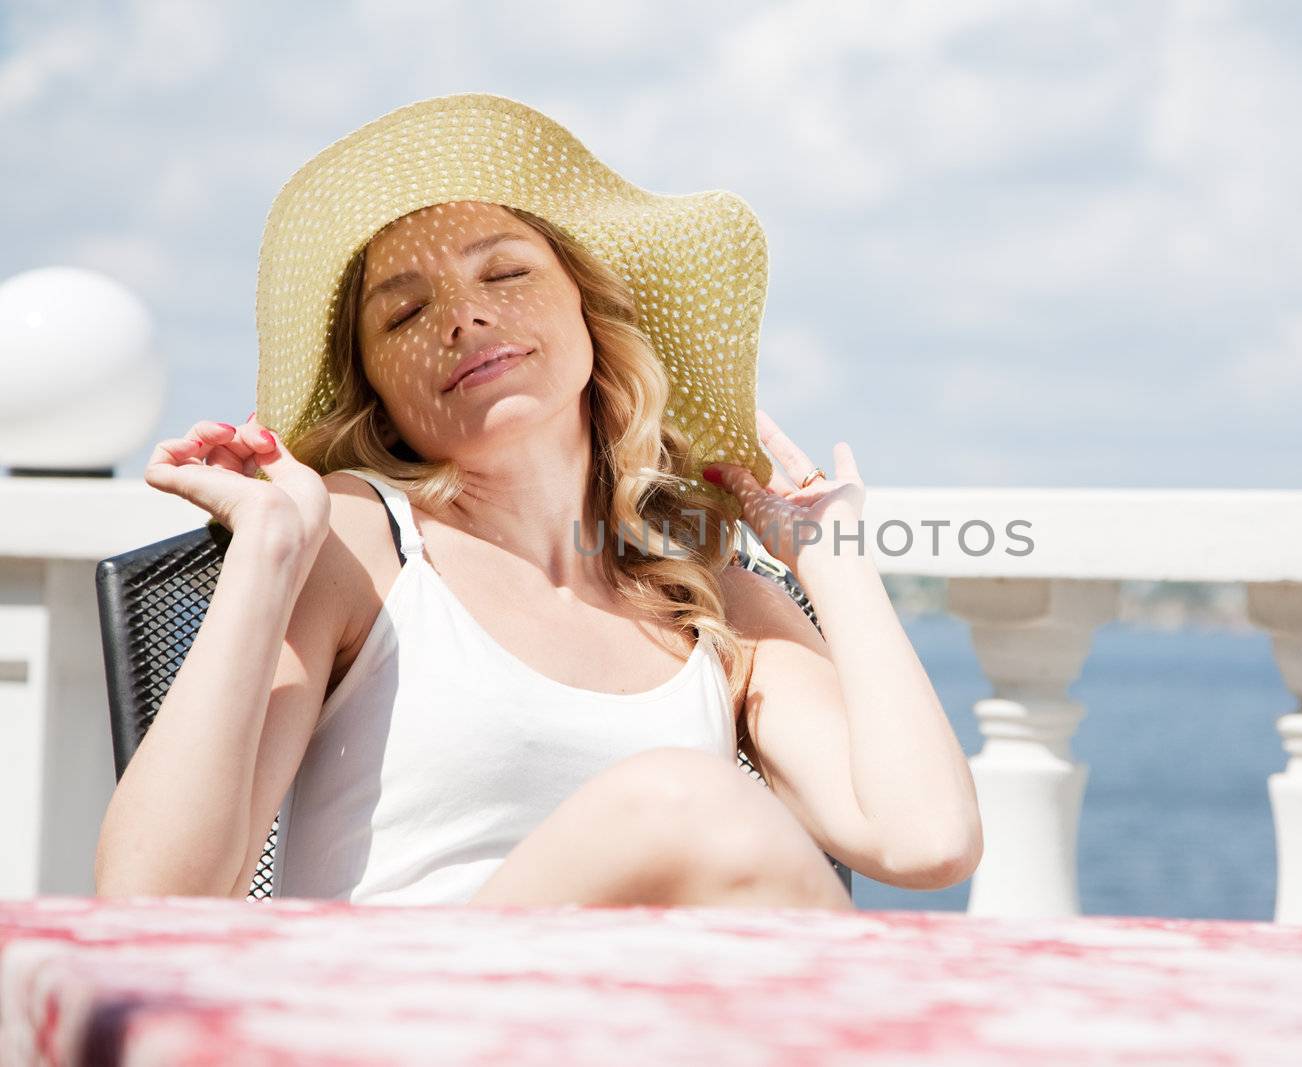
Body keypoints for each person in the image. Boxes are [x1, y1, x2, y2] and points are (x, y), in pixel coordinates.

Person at [94, 93, 981, 910]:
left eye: (506, 274)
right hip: (399, 1025)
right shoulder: (359, 541)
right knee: (681, 800)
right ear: (378, 390)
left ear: (590, 312)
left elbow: (927, 839)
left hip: (640, 1030)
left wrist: (832, 559)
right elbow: (151, 900)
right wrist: (267, 555)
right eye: (405, 315)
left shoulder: (703, 592)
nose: (463, 319)